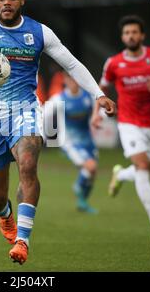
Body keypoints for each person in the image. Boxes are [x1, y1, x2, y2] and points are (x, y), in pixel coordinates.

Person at [0, 0, 116, 265]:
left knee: (28, 164)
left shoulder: (40, 32)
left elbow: (71, 63)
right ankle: (5, 216)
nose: (7, 3)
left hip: (26, 110)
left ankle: (23, 241)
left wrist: (98, 95)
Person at [92, 15, 150, 234]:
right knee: (143, 168)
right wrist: (96, 114)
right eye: (127, 33)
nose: (130, 36)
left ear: (142, 35)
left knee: (142, 169)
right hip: (128, 122)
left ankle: (121, 174)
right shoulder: (113, 63)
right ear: (122, 36)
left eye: (134, 32)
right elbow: (101, 88)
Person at [46, 71, 99, 214]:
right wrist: (49, 138)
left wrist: (98, 119)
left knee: (92, 174)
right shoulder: (58, 99)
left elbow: (99, 113)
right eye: (70, 79)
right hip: (70, 143)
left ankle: (82, 202)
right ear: (65, 80)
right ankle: (77, 188)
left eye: (75, 79)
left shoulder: (89, 97)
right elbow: (44, 114)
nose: (73, 82)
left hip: (88, 141)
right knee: (90, 167)